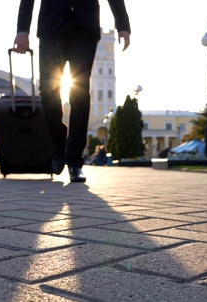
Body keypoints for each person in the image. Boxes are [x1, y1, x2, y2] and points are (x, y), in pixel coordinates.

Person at [13, 0, 131, 183]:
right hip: (51, 26)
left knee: (80, 93)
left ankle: (75, 163)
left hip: (85, 28)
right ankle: (59, 143)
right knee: (47, 89)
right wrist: (22, 31)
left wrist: (122, 24)